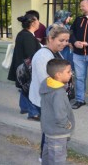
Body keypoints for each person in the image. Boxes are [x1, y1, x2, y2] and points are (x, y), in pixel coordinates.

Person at [29, 26, 70, 162]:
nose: (64, 43)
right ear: (50, 39)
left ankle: (47, 155)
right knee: (50, 129)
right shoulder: (43, 56)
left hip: (52, 98)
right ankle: (45, 157)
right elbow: (46, 82)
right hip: (47, 99)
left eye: (67, 40)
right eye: (61, 40)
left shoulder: (55, 52)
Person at [40, 58, 74, 165]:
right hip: (58, 133)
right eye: (68, 72)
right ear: (58, 75)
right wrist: (67, 124)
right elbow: (60, 115)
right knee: (57, 160)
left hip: (49, 130)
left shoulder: (47, 84)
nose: (71, 74)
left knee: (47, 156)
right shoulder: (58, 93)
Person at [7, 13, 41, 121]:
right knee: (31, 89)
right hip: (26, 68)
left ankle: (24, 107)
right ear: (33, 23)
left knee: (24, 87)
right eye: (37, 20)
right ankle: (33, 113)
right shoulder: (27, 36)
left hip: (22, 67)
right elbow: (30, 54)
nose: (39, 22)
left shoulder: (24, 33)